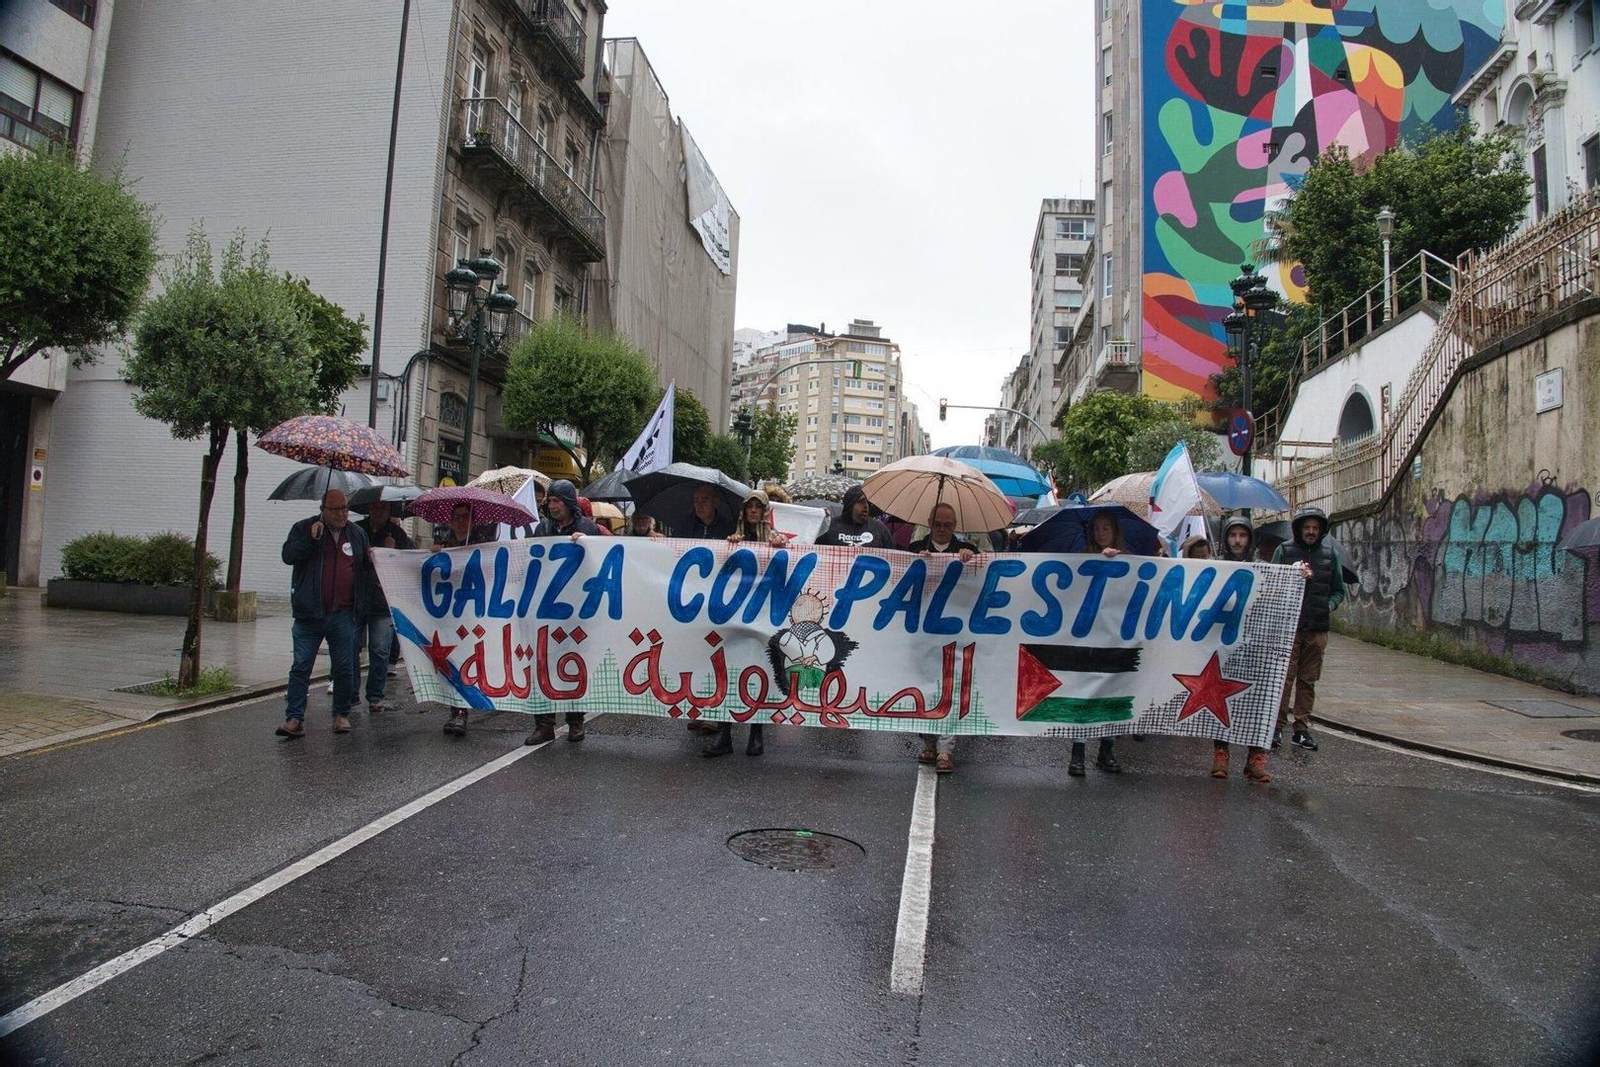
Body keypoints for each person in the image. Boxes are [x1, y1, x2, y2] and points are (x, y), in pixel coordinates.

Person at [278, 489, 370, 738]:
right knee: (301, 666)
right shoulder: (303, 528)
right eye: (335, 509)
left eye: (344, 508)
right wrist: (309, 539)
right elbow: (288, 556)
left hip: (343, 613)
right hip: (309, 614)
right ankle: (294, 718)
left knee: (344, 667)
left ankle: (340, 714)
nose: (341, 514)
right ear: (323, 510)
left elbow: (366, 568)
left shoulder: (356, 534)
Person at [524, 480, 603, 746]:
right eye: (550, 501)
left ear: (569, 503)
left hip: (576, 611)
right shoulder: (541, 528)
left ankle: (575, 721)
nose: (552, 506)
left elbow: (600, 566)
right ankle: (543, 724)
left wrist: (588, 545)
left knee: (574, 665)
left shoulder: (588, 528)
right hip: (545, 610)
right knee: (542, 664)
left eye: (557, 501)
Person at [908, 502, 978, 774]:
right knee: (925, 687)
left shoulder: (968, 551)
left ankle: (946, 749)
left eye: (947, 525)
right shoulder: (915, 549)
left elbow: (983, 577)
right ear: (929, 523)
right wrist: (916, 562)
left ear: (955, 526)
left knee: (950, 687)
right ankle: (928, 742)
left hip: (955, 633)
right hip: (922, 633)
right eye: (937, 524)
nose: (941, 529)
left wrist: (971, 559)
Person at [1271, 506, 1346, 753]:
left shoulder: (1330, 555)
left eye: (1315, 528)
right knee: (1284, 680)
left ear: (1321, 530)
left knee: (1308, 681)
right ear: (1299, 529)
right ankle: (1276, 727)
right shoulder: (1284, 551)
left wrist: (1329, 605)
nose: (1311, 531)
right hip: (1289, 629)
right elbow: (1272, 583)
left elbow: (1338, 590)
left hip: (1317, 629)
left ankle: (1301, 729)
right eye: (1307, 527)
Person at [1210, 516, 1271, 783]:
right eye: (1232, 535)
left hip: (1255, 645)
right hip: (1223, 645)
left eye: (1242, 535)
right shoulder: (1216, 567)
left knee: (1256, 700)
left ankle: (1255, 758)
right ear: (1226, 538)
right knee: (1220, 699)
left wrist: (1299, 573)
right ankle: (1221, 754)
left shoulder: (1265, 569)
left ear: (1250, 539)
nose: (1237, 540)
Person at [1070, 510, 1129, 776]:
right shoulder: (1082, 559)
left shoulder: (1130, 561)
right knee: (1085, 692)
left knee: (1113, 693)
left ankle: (1107, 750)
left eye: (1105, 528)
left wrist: (1120, 563)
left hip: (1117, 637)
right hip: (1089, 637)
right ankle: (1078, 751)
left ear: (1114, 531)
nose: (1100, 533)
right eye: (1096, 528)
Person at [432, 503, 494, 735]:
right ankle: (457, 711)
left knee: (468, 661)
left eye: (465, 517)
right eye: (457, 517)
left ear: (473, 521)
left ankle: (463, 709)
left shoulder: (482, 544)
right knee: (452, 661)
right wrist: (433, 556)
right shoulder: (444, 545)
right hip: (448, 615)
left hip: (473, 614)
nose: (460, 521)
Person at [353, 500, 413, 715]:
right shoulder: (356, 530)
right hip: (356, 599)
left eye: (383, 508)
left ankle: (375, 695)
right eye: (375, 507)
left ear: (389, 511)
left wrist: (391, 552)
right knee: (351, 648)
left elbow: (409, 561)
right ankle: (350, 694)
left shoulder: (397, 534)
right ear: (369, 509)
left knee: (380, 650)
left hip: (383, 602)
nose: (378, 512)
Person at [816, 485, 893, 549]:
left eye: (867, 502)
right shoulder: (829, 527)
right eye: (861, 501)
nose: (866, 506)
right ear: (850, 504)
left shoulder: (879, 529)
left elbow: (891, 555)